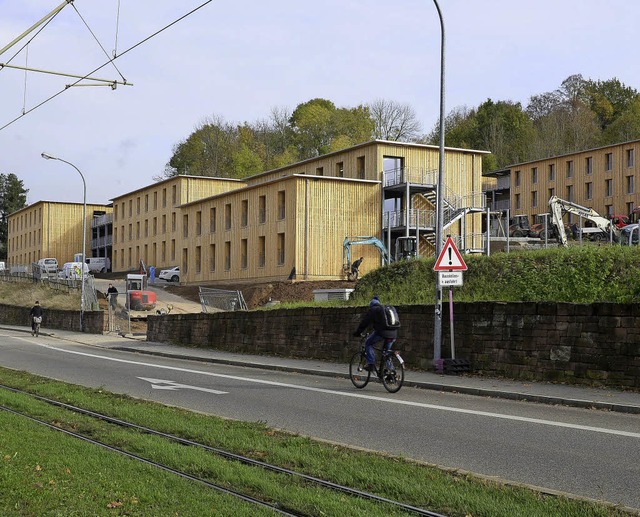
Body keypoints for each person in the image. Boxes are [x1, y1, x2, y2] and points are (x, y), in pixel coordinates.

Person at [353, 296, 398, 371]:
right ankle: (391, 372)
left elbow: (364, 323)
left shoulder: (373, 310)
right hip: (394, 333)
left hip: (382, 333)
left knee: (368, 343)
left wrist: (357, 333)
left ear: (371, 305)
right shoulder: (388, 309)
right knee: (386, 352)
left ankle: (371, 364)